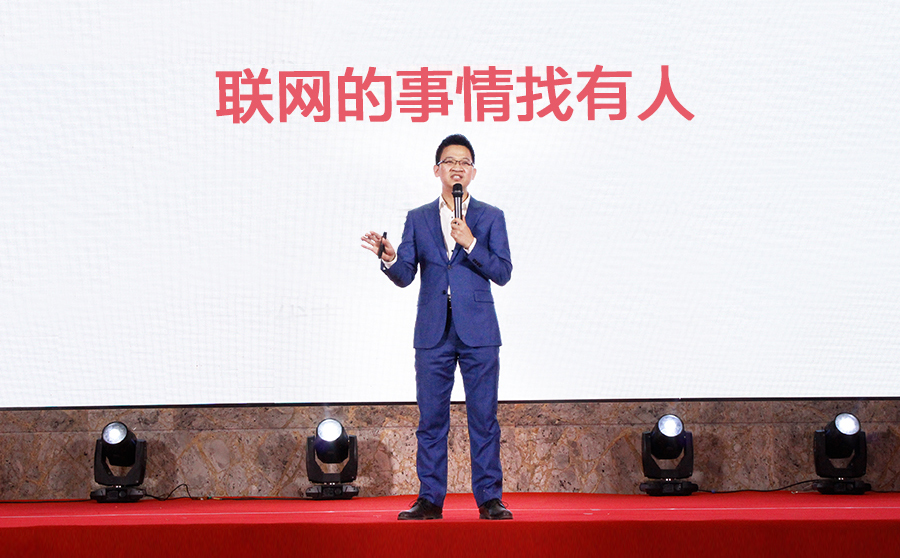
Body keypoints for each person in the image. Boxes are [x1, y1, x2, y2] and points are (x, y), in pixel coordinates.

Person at [361, 134, 513, 520]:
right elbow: (405, 275)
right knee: (431, 421)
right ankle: (430, 499)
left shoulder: (491, 217)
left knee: (484, 418)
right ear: (437, 170)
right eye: (449, 162)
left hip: (479, 332)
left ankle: (489, 499)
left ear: (473, 172)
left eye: (464, 162)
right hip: (433, 332)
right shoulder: (418, 218)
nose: (457, 167)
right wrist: (390, 258)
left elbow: (503, 272)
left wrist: (472, 243)